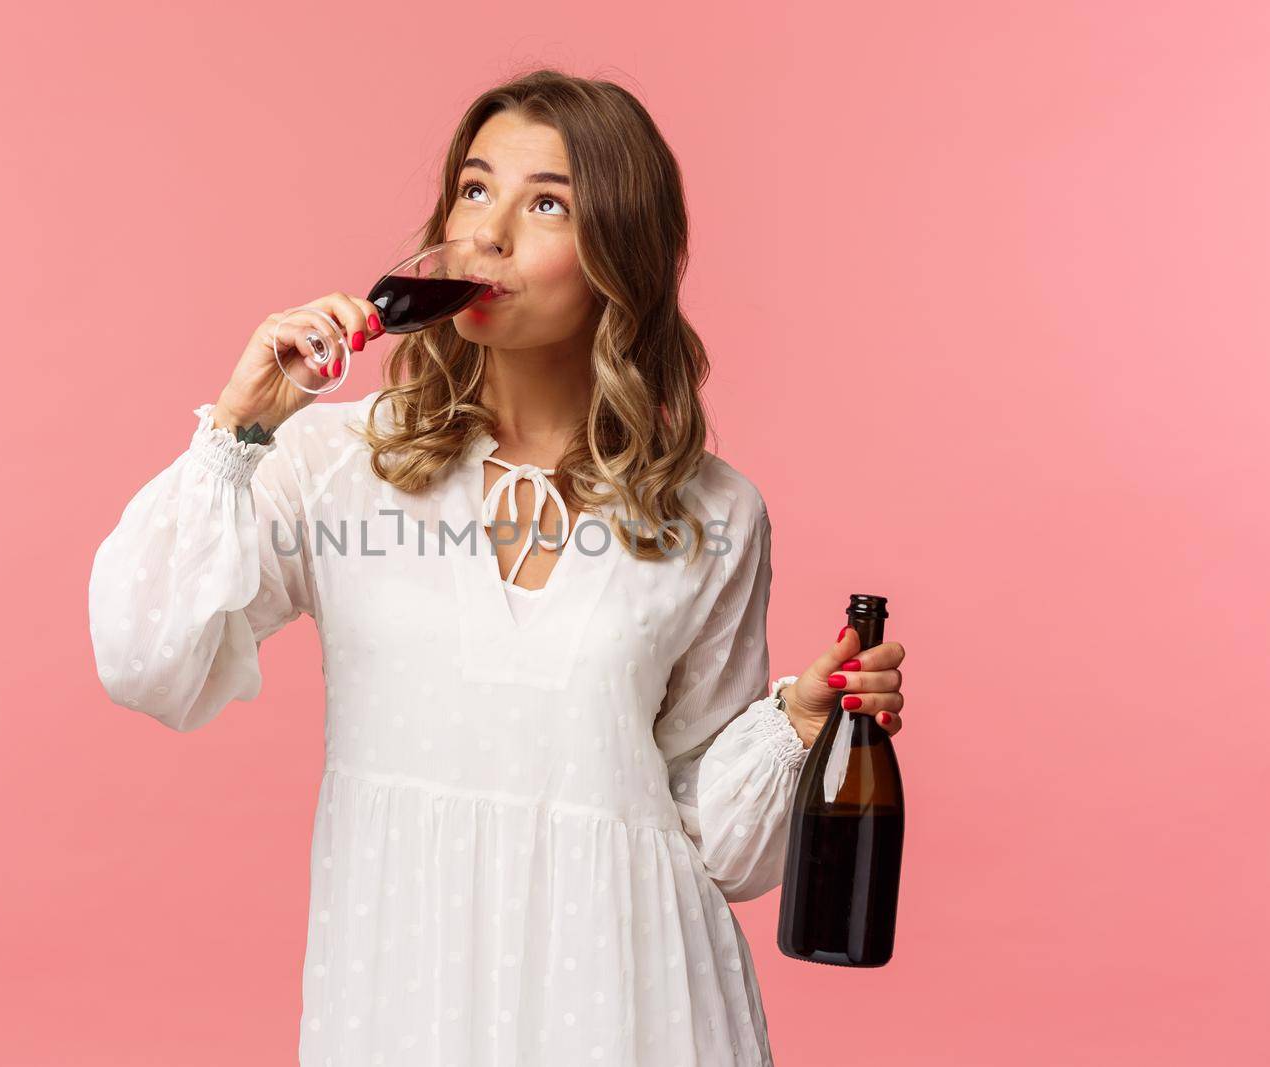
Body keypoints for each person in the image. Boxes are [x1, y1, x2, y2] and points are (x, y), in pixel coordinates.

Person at [88, 68, 907, 1067]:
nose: (487, 233)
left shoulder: (712, 510)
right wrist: (236, 431)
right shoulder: (339, 461)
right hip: (407, 993)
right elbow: (147, 661)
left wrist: (799, 723)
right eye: (474, 189)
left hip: (636, 1002)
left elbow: (720, 845)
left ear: (618, 253)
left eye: (546, 202)